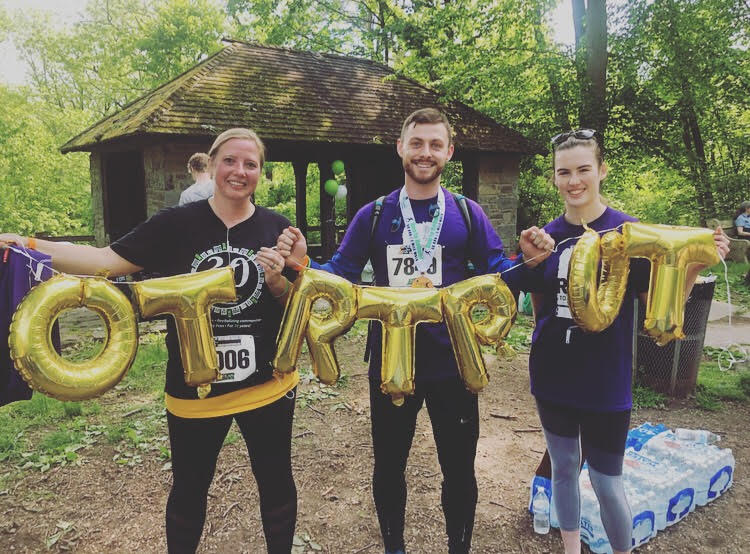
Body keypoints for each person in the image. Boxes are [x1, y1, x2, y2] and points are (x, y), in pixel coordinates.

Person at [0, 128, 299, 554]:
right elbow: (104, 260)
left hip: (266, 385)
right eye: (230, 161)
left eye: (250, 164)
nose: (239, 171)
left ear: (261, 173)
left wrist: (276, 280)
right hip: (195, 389)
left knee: (277, 487)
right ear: (211, 165)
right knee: (188, 494)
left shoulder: (278, 228)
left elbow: (294, 304)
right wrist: (29, 243)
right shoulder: (174, 224)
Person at [277, 108, 555, 554]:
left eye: (435, 145)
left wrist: (529, 261)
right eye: (417, 143)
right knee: (389, 467)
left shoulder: (467, 211)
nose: (425, 153)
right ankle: (394, 548)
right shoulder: (374, 215)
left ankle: (458, 547)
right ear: (400, 148)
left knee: (460, 469)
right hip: (392, 362)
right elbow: (339, 276)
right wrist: (301, 266)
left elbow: (499, 276)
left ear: (449, 152)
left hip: (454, 361)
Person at [524, 128, 729, 554]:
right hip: (552, 374)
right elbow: (539, 304)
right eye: (564, 172)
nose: (574, 180)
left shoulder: (632, 234)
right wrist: (528, 259)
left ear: (601, 170)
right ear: (555, 178)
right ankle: (571, 549)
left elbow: (659, 304)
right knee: (563, 469)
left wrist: (698, 261)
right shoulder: (547, 235)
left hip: (606, 378)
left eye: (583, 169)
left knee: (606, 481)